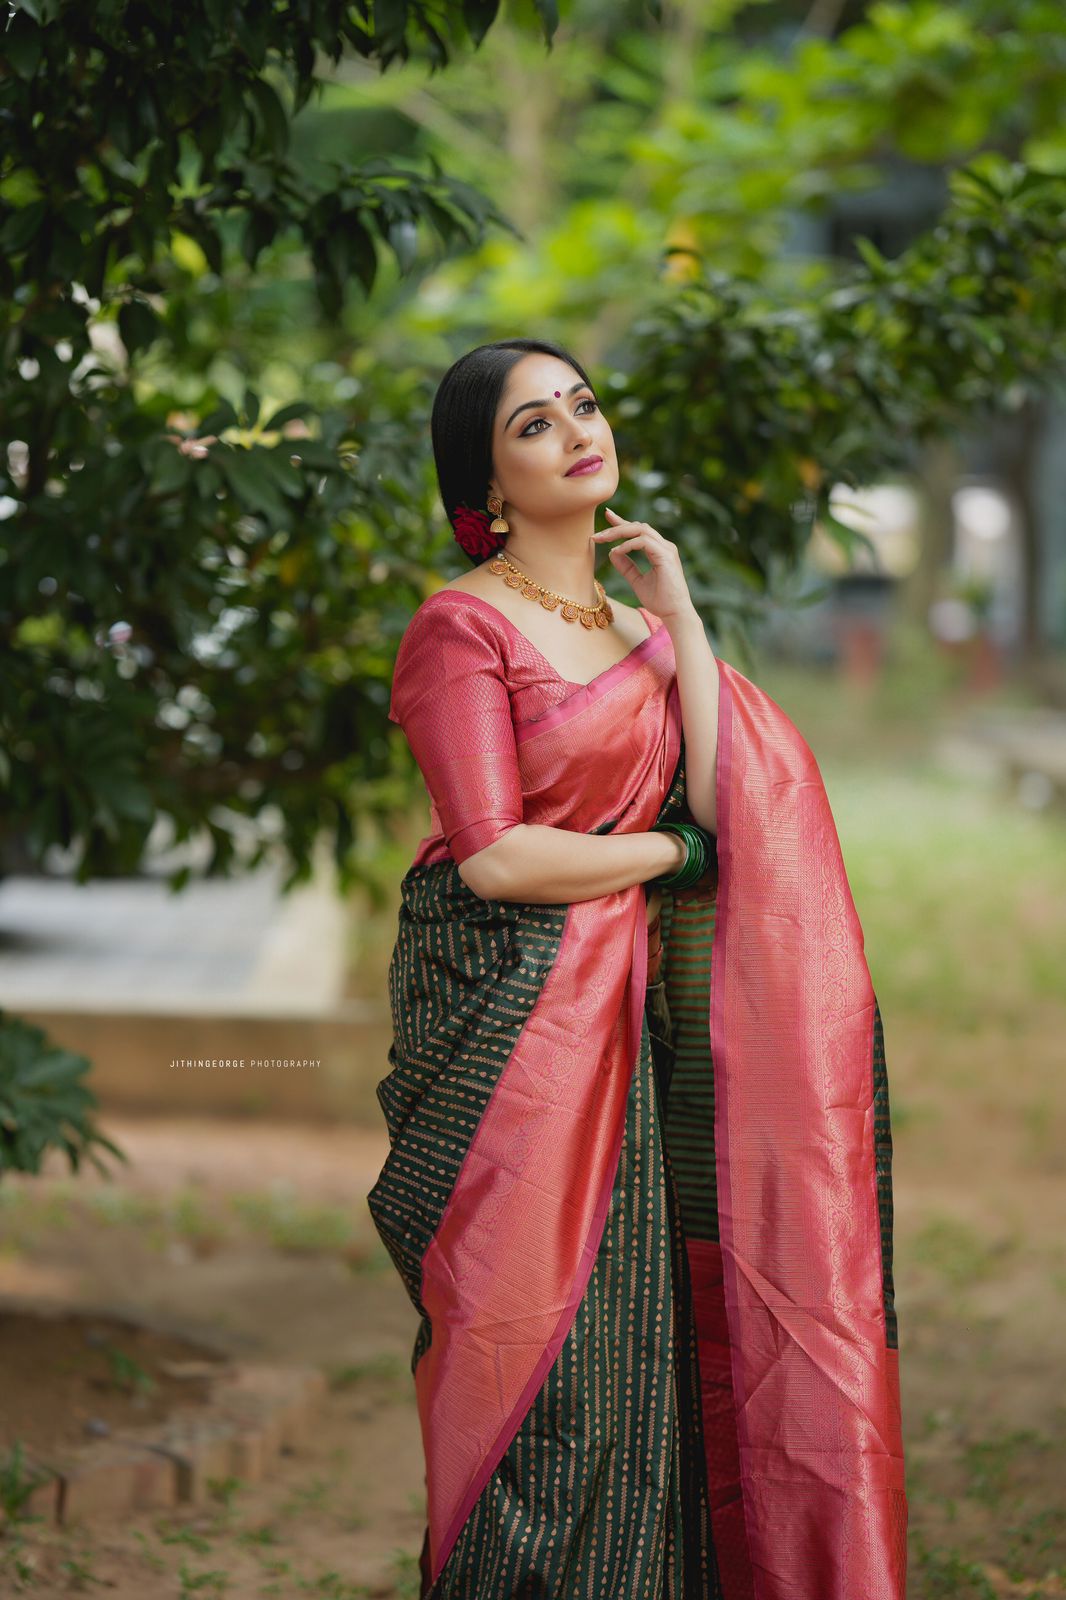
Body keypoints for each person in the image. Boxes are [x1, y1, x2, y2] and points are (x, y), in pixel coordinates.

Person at [367, 338, 908, 1600]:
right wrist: (670, 851)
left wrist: (680, 618)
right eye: (532, 425)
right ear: (486, 484)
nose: (574, 432)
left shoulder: (634, 624)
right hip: (511, 1031)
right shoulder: (460, 626)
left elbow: (732, 804)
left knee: (661, 1355)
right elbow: (496, 859)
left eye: (583, 406)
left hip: (649, 1020)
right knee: (541, 1371)